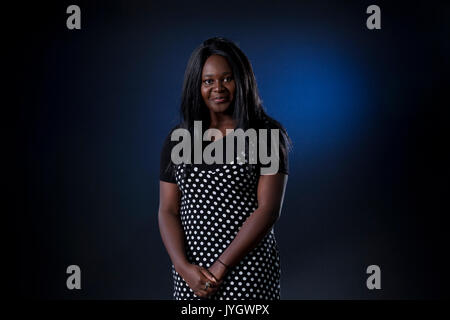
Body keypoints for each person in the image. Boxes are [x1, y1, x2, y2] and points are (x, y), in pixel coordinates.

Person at [158, 37, 290, 300]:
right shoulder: (179, 138)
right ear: (197, 85)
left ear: (242, 81)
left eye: (226, 78)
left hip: (246, 273)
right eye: (208, 81)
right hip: (192, 278)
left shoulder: (266, 135)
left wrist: (220, 267)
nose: (218, 88)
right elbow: (167, 210)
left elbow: (268, 210)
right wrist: (183, 268)